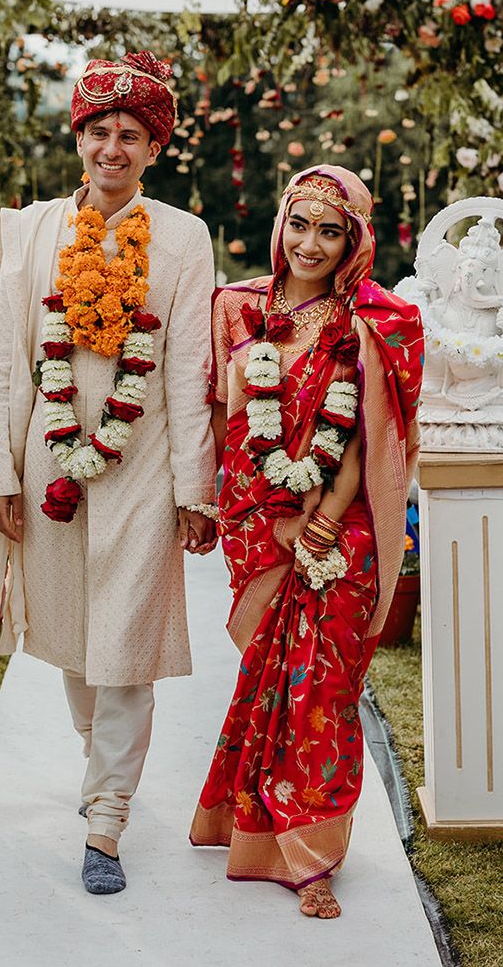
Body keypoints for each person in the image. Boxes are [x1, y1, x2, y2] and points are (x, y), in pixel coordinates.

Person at [0, 50, 217, 894]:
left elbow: (188, 372)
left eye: (132, 135)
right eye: (101, 131)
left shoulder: (183, 236)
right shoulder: (35, 228)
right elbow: (8, 359)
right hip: (52, 460)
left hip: (142, 463)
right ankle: (97, 757)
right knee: (76, 637)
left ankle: (106, 816)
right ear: (79, 137)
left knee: (127, 645)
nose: (114, 147)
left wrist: (195, 489)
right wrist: (1, 472)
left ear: (155, 149)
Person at [190, 164, 423, 919]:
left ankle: (314, 855)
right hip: (258, 523)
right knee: (272, 685)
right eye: (300, 224)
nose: (311, 244)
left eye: (332, 230)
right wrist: (250, 510)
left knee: (323, 694)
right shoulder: (236, 309)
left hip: (340, 530)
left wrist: (322, 518)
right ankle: (256, 831)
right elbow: (220, 419)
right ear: (280, 223)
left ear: (354, 241)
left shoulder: (376, 320)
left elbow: (368, 435)